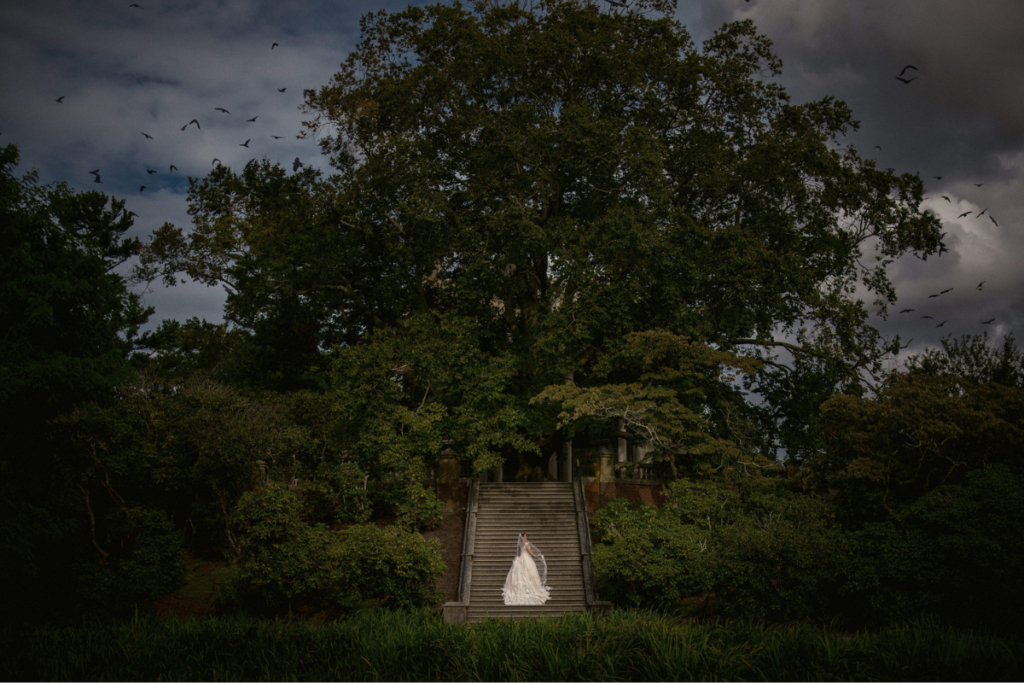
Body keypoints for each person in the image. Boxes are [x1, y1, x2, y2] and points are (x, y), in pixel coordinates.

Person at [502, 532, 550, 605]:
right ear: (523, 537)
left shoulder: (520, 544)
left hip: (520, 559)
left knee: (519, 573)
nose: (526, 537)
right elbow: (529, 552)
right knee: (528, 573)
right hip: (526, 559)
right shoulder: (525, 543)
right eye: (525, 536)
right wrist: (535, 555)